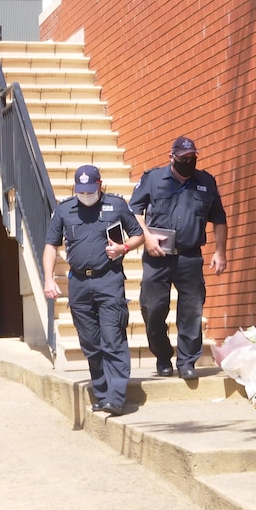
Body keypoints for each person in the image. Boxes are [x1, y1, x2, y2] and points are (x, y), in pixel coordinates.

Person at [43, 165, 144, 416]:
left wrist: (123, 249)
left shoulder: (117, 205)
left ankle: (116, 396)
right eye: (81, 191)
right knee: (90, 342)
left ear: (99, 184)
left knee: (112, 338)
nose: (85, 195)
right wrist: (48, 279)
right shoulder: (64, 210)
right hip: (79, 283)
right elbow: (50, 246)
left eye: (90, 190)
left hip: (108, 280)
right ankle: (102, 393)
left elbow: (138, 234)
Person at [128, 136, 228, 380]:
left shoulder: (206, 181)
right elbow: (133, 211)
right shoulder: (153, 179)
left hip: (190, 256)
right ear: (171, 157)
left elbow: (220, 219)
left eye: (192, 157)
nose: (189, 161)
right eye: (184, 158)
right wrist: (147, 237)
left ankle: (187, 362)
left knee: (192, 310)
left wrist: (220, 251)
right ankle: (163, 356)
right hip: (157, 255)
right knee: (152, 309)